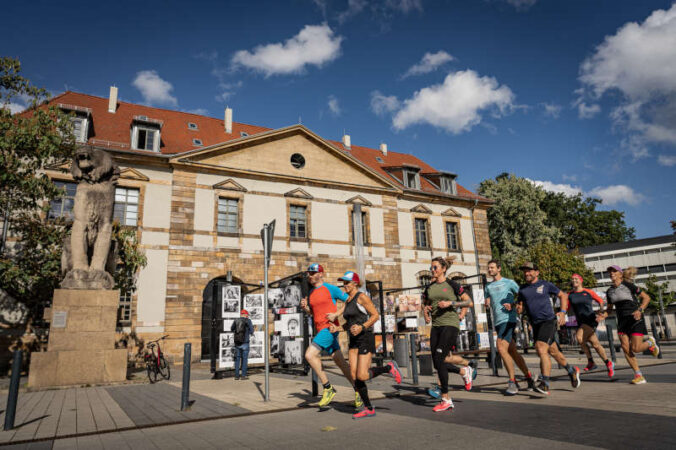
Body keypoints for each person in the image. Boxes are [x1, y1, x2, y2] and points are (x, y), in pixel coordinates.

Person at [327, 271, 402, 419]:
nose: (345, 285)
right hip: (353, 340)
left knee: (362, 375)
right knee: (355, 377)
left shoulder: (362, 297)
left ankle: (389, 367)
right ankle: (369, 408)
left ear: (355, 283)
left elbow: (375, 315)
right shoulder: (348, 301)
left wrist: (362, 326)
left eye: (347, 282)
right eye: (343, 283)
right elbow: (349, 324)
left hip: (365, 338)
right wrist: (337, 328)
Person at [516, 262, 581, 395]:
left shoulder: (546, 284)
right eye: (525, 271)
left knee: (541, 348)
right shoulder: (522, 289)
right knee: (554, 352)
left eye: (529, 271)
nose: (527, 273)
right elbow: (521, 306)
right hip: (535, 324)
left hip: (548, 321)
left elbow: (563, 295)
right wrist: (518, 308)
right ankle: (571, 371)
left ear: (536, 272)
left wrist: (563, 312)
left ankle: (545, 383)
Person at [300, 263, 357, 408]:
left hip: (329, 329)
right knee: (341, 364)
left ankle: (328, 388)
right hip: (321, 330)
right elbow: (314, 314)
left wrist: (337, 314)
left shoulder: (330, 288)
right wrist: (306, 309)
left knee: (309, 355)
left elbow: (350, 300)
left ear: (321, 274)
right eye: (309, 273)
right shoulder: (311, 293)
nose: (310, 276)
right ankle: (359, 391)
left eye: (313, 273)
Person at [423, 256, 475, 412]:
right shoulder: (429, 288)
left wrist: (451, 303)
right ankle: (463, 370)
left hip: (450, 324)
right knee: (437, 362)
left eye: (435, 267)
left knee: (440, 358)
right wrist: (426, 312)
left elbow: (469, 302)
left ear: (443, 269)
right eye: (431, 267)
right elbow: (425, 305)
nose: (433, 270)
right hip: (436, 326)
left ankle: (446, 398)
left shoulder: (452, 284)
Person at [484, 259, 536, 395]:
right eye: (488, 268)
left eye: (492, 267)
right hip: (498, 321)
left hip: (509, 319)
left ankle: (513, 382)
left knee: (501, 348)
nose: (490, 270)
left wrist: (515, 305)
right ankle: (529, 377)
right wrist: (487, 301)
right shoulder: (488, 287)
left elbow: (523, 296)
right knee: (512, 351)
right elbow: (488, 298)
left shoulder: (509, 282)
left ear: (499, 269)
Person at [601, 266, 659, 384]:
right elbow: (610, 309)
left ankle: (650, 343)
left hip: (635, 317)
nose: (611, 273)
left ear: (620, 274)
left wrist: (640, 310)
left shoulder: (628, 286)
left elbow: (646, 298)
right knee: (625, 348)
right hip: (622, 321)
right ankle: (638, 375)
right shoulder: (609, 291)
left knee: (636, 348)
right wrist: (603, 315)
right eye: (610, 272)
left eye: (614, 271)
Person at [568, 273, 614, 377]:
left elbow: (600, 301)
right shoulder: (570, 295)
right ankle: (608, 363)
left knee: (579, 338)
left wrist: (601, 311)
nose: (574, 280)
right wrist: (561, 314)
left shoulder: (588, 292)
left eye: (576, 279)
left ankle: (591, 361)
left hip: (590, 320)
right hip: (580, 322)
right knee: (596, 344)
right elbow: (567, 308)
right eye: (572, 279)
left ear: (581, 280)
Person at [231, 309, 254, 380]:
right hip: (245, 343)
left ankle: (236, 376)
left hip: (237, 343)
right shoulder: (248, 321)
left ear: (241, 314)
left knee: (237, 359)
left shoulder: (236, 320)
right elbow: (252, 331)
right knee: (244, 359)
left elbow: (232, 329)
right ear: (246, 315)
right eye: (247, 315)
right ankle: (243, 376)